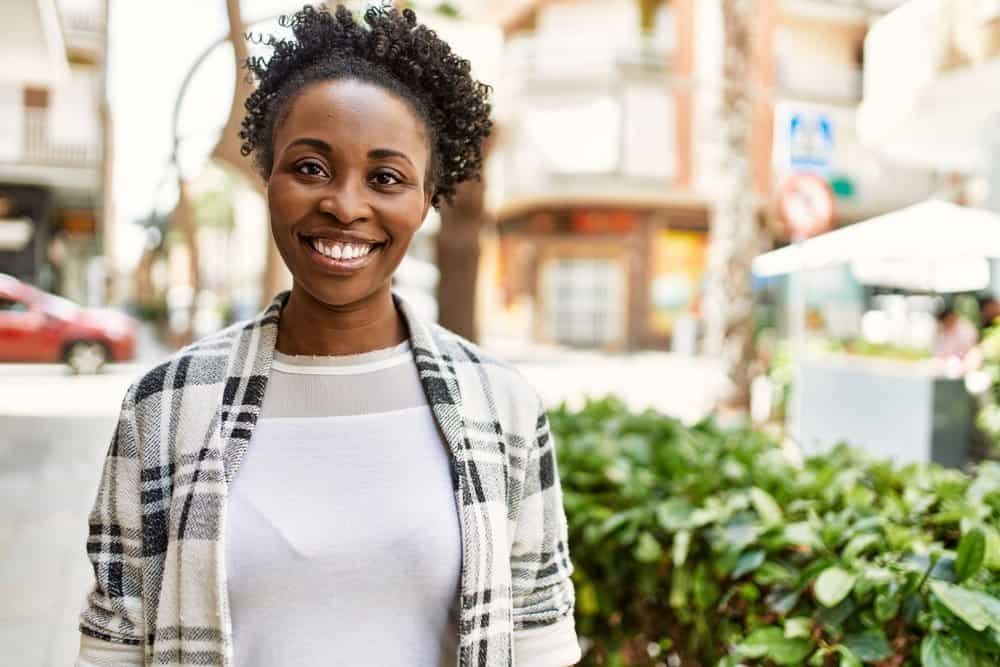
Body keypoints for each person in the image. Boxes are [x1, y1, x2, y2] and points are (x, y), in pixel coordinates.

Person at [75, 6, 580, 666]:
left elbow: (541, 643)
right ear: (269, 177)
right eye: (311, 167)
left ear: (425, 199)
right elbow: (111, 646)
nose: (345, 204)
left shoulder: (503, 405)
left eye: (386, 177)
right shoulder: (164, 406)